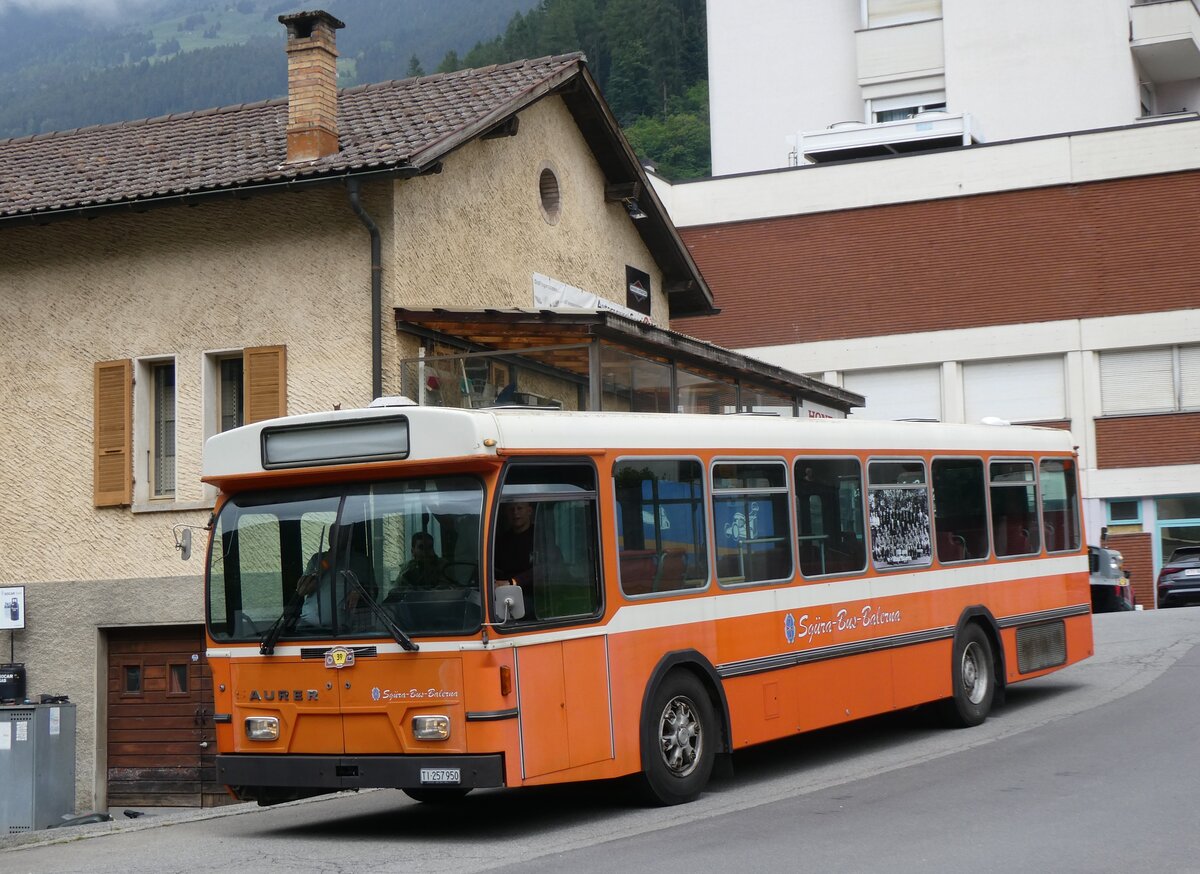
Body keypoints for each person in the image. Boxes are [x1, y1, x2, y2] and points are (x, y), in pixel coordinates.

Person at [296, 522, 372, 626]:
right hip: (308, 627)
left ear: (349, 536)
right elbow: (302, 590)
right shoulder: (317, 559)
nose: (335, 537)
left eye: (340, 533)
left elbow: (372, 592)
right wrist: (326, 563)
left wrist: (358, 591)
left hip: (344, 631)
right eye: (332, 533)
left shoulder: (360, 561)